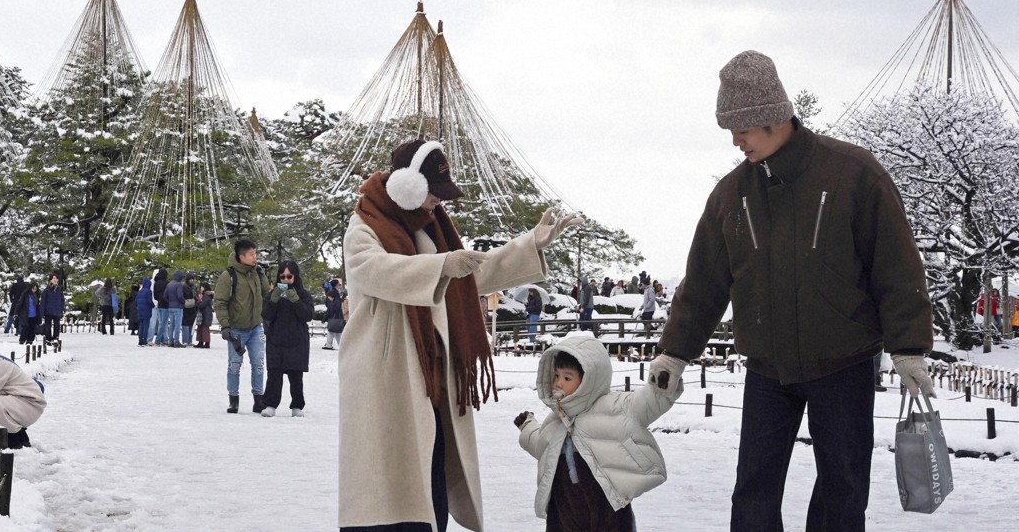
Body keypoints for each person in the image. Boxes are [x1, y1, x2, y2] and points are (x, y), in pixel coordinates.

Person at [650, 50, 936, 531]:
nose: (735, 140)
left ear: (770, 117)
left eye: (740, 128)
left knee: (842, 491)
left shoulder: (852, 173)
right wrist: (674, 354)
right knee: (753, 493)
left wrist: (908, 349)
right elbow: (703, 282)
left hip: (842, 363)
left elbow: (896, 263)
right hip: (767, 368)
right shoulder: (731, 195)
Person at [339, 138, 581, 532]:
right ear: (407, 186)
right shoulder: (365, 224)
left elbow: (467, 276)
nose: (438, 202)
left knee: (428, 480)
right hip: (385, 376)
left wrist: (528, 245)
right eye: (433, 193)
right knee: (384, 486)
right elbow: (374, 270)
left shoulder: (431, 227)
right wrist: (441, 266)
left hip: (430, 375)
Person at [516, 336, 681, 531]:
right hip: (564, 510)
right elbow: (541, 445)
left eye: (567, 378)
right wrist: (527, 426)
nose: (559, 383)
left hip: (607, 507)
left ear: (589, 380)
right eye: (556, 376)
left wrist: (663, 380)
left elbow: (646, 403)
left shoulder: (616, 407)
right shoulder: (555, 421)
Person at [218, 239, 272, 413]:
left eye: (255, 253)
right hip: (236, 329)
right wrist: (225, 326)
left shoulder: (258, 273)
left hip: (256, 327)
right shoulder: (228, 276)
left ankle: (259, 399)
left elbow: (266, 295)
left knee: (258, 364)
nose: (255, 257)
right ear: (241, 257)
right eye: (251, 254)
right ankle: (233, 400)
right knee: (234, 364)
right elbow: (220, 302)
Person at [260, 260, 314, 417]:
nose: (285, 280)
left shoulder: (303, 294)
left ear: (295, 277)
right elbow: (266, 315)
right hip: (276, 340)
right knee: (274, 374)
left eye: (289, 276)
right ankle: (270, 404)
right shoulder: (273, 294)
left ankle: (297, 405)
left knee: (296, 375)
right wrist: (273, 301)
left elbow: (308, 315)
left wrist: (296, 301)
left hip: (297, 341)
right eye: (282, 276)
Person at [163, 270, 186, 347]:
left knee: (171, 324)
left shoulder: (169, 284)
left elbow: (164, 296)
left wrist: (170, 301)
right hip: (178, 307)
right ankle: (176, 341)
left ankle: (170, 341)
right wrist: (183, 302)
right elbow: (180, 296)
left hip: (170, 306)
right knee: (177, 324)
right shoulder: (178, 284)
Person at [40, 274, 65, 345]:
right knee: (48, 326)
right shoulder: (46, 290)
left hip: (57, 311)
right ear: (50, 280)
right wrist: (42, 312)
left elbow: (62, 300)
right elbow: (43, 302)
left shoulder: (59, 290)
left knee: (57, 327)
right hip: (48, 311)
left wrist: (62, 309)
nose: (55, 280)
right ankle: (48, 339)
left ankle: (55, 338)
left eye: (56, 278)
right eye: (53, 278)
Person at [152, 269, 170, 346]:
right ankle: (159, 339)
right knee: (164, 323)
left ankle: (162, 338)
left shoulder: (156, 283)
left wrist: (159, 299)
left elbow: (155, 295)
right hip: (166, 305)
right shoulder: (167, 283)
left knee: (161, 323)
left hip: (159, 304)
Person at [135, 278, 154, 347]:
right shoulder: (149, 291)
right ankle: (144, 340)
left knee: (141, 326)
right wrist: (153, 305)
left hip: (140, 311)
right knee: (146, 326)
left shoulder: (139, 292)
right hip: (146, 311)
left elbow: (136, 302)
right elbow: (149, 301)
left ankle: (140, 340)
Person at [181, 274, 198, 347]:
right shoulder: (184, 287)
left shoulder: (194, 287)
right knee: (185, 324)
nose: (192, 280)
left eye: (193, 279)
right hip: (186, 308)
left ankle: (189, 340)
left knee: (191, 325)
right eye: (191, 279)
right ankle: (185, 340)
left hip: (193, 308)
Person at [196, 282, 214, 349]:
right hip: (204, 314)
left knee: (204, 328)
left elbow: (202, 304)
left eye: (202, 287)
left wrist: (198, 302)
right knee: (200, 328)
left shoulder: (206, 296)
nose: (201, 288)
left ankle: (206, 343)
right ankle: (201, 342)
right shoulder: (205, 295)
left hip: (206, 314)